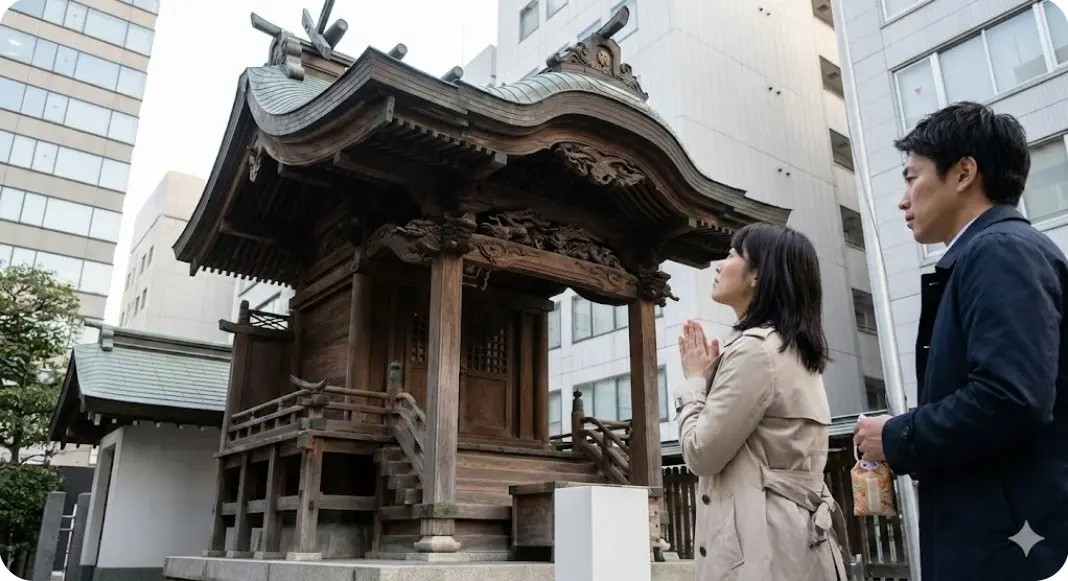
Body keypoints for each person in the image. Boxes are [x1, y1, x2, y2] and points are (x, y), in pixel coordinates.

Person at [852, 101, 1068, 581]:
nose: (903, 200)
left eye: (912, 178)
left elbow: (1010, 396)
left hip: (1012, 551)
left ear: (964, 173)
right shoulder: (992, 253)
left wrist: (897, 435)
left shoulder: (1000, 252)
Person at [674, 223, 849, 581]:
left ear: (758, 274)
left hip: (762, 553)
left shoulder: (755, 350)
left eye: (732, 255)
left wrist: (694, 382)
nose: (719, 266)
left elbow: (701, 454)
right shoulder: (793, 347)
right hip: (796, 546)